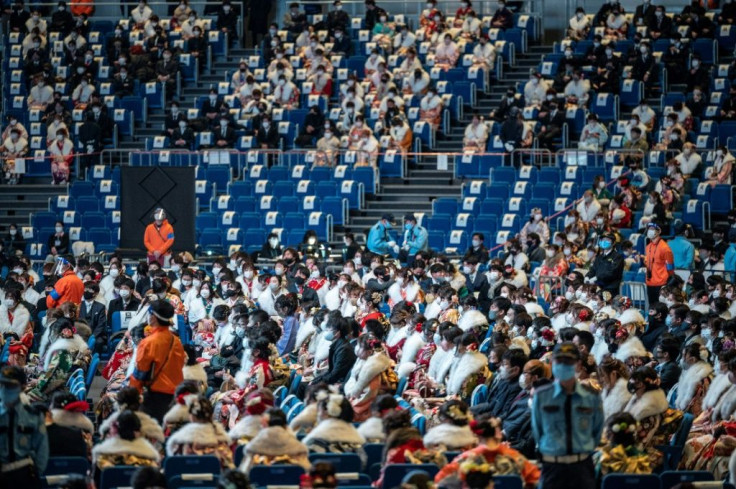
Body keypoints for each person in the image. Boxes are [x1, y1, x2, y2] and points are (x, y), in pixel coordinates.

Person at [531, 342, 603, 489]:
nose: (563, 365)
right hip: (552, 466)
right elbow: (538, 431)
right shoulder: (542, 396)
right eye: (559, 361)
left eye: (568, 361)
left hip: (581, 467)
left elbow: (596, 431)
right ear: (552, 363)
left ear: (577, 364)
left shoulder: (591, 396)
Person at [129, 300, 186, 423]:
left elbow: (140, 374)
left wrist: (132, 397)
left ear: (153, 317)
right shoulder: (176, 341)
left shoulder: (148, 342)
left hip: (155, 397)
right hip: (175, 396)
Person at [0, 365, 49, 487]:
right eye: (3, 385)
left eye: (11, 386)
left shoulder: (33, 416)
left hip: (24, 474)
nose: (5, 390)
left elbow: (42, 452)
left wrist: (33, 475)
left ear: (22, 387)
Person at [238, 407, 310, 473]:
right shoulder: (299, 450)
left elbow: (245, 473)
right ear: (285, 426)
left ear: (264, 425)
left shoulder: (252, 449)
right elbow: (307, 472)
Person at [644, 223, 674, 305]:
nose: (650, 231)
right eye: (649, 228)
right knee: (652, 306)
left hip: (661, 283)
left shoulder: (665, 248)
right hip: (650, 282)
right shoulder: (648, 247)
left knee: (661, 307)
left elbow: (670, 267)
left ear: (659, 231)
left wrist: (669, 283)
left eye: (652, 229)